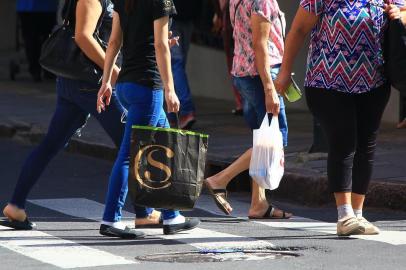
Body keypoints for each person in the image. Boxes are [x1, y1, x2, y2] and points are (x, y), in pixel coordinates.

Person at [1, 0, 160, 239]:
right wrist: (114, 72)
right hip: (89, 83)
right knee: (133, 144)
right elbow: (83, 37)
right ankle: (143, 212)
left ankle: (16, 206)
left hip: (74, 83)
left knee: (51, 144)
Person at [275, 0, 406, 236]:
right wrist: (284, 71)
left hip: (374, 82)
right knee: (344, 142)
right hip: (327, 81)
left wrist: (399, 14)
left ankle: (358, 213)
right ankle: (344, 214)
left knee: (366, 145)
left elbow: (405, 14)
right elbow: (298, 30)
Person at [97, 0, 200, 235]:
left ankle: (171, 216)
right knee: (129, 155)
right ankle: (110, 219)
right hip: (147, 87)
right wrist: (170, 89)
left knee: (162, 145)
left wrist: (106, 82)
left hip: (126, 85)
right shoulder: (160, 1)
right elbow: (161, 46)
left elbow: (114, 42)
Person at [204, 0, 292, 220]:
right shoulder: (261, 1)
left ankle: (258, 204)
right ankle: (220, 180)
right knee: (275, 142)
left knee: (261, 140)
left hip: (245, 74)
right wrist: (269, 88)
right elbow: (260, 45)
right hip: (260, 76)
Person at [167, 0, 200, 129]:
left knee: (174, 66)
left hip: (172, 16)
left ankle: (185, 110)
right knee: (176, 66)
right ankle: (173, 115)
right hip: (187, 15)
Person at [212, 0, 244, 115]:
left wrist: (219, 15)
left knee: (234, 63)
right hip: (242, 25)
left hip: (232, 24)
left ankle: (241, 101)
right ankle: (243, 101)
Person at [15, 0, 58, 81]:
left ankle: (35, 70)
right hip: (47, 7)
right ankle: (47, 70)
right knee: (48, 39)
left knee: (31, 39)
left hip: (27, 7)